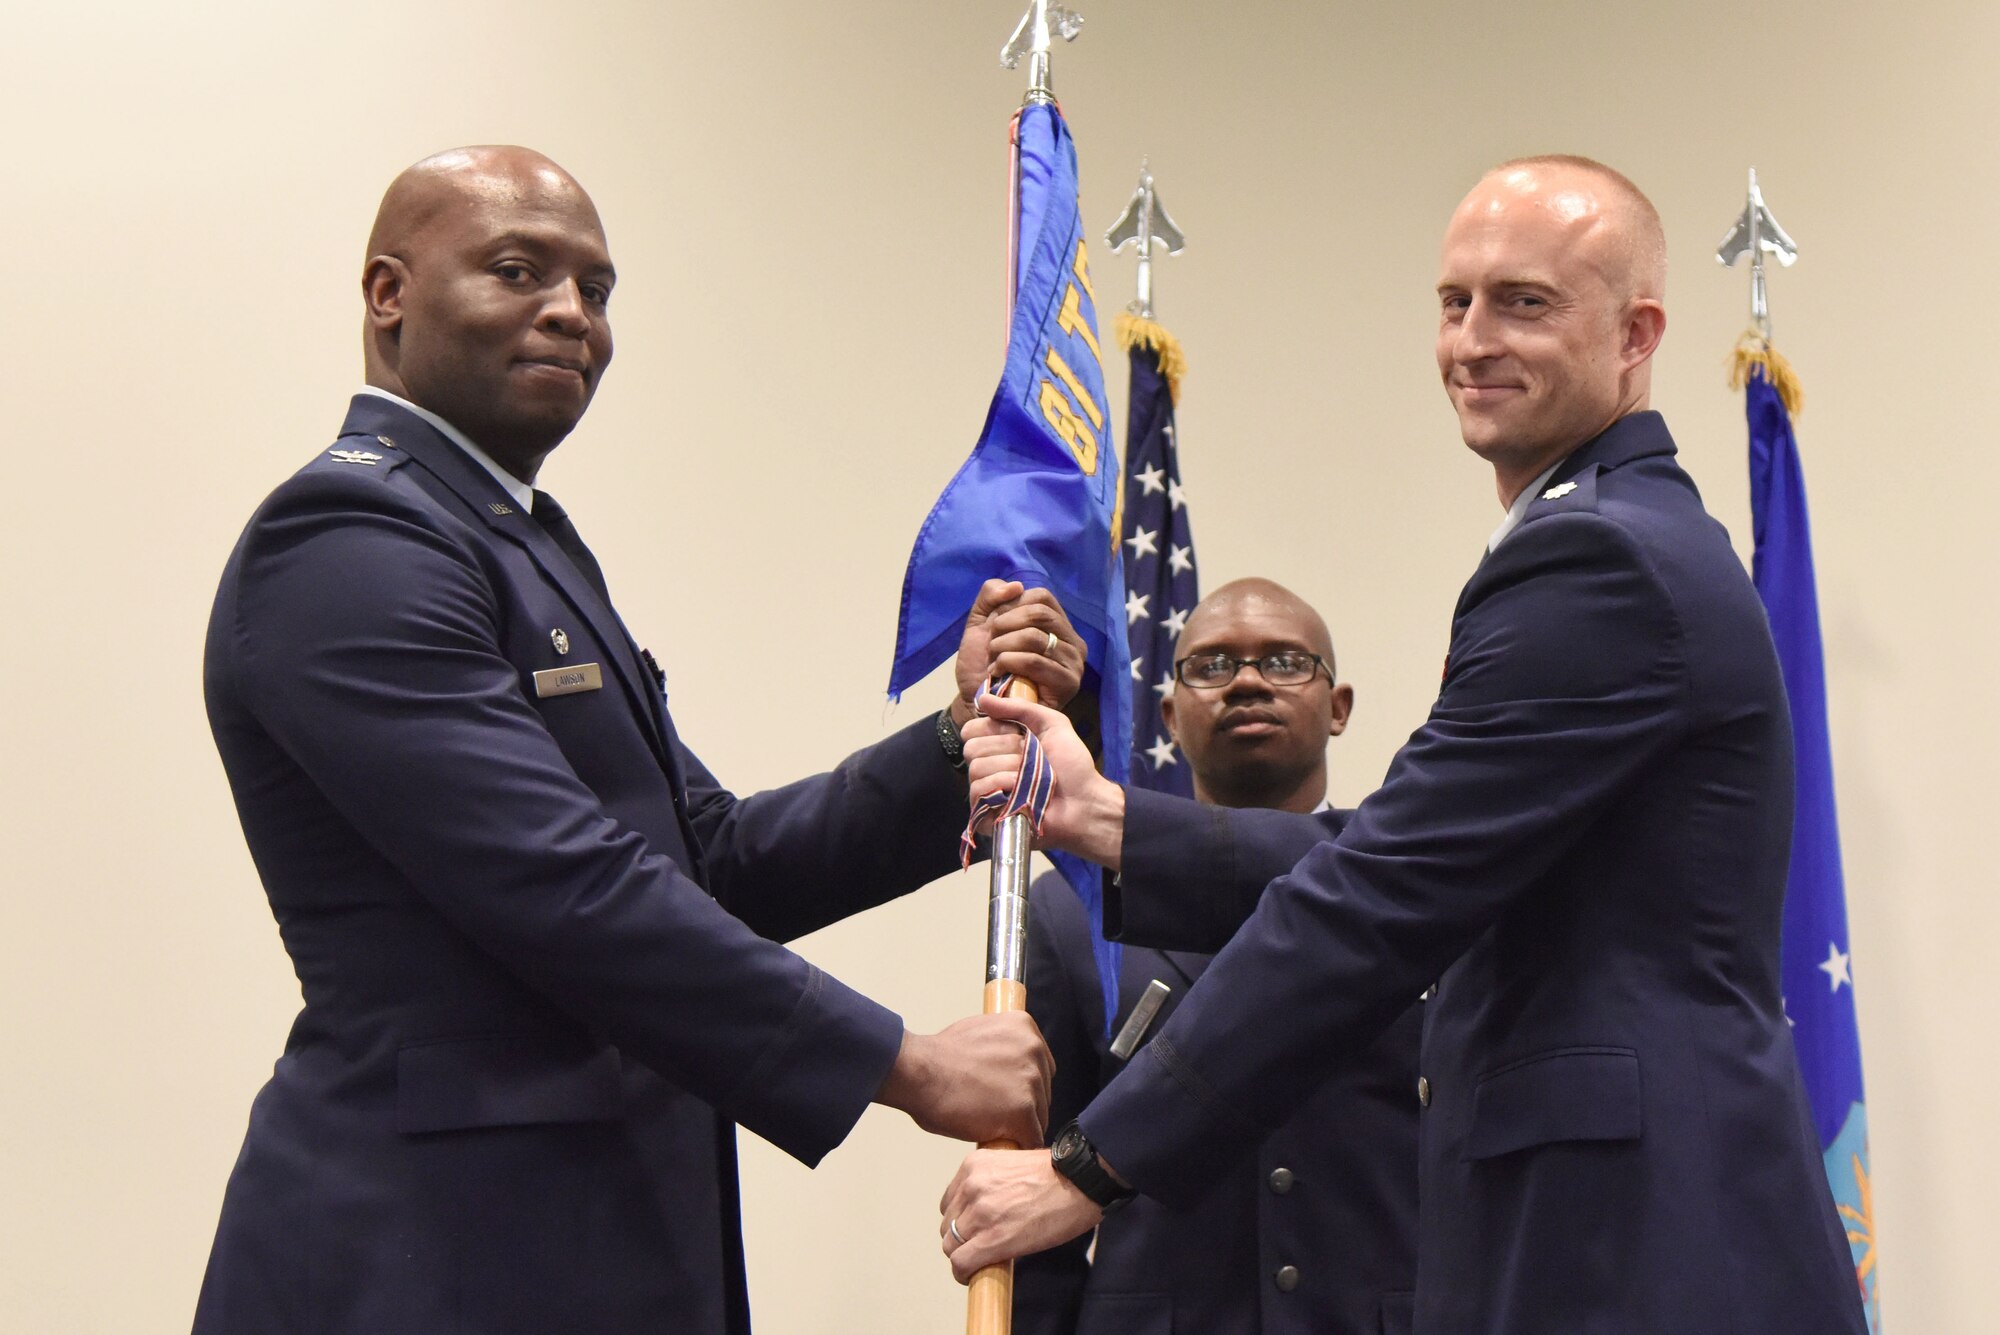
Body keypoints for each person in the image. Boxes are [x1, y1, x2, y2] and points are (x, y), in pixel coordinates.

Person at [941, 156, 1869, 1334]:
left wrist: (1083, 1168)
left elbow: (1382, 895)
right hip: (1611, 1238)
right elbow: (1415, 854)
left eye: (1522, 302)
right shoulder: (1614, 541)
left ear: (1635, 334)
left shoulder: (1600, 562)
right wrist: (1115, 820)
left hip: (1633, 1252)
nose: (1471, 339)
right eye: (1453, 301)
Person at [194, 145, 1078, 1335]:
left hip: (598, 1249)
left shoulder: (522, 541)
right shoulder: (347, 538)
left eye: (596, 290)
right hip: (427, 1261)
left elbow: (703, 864)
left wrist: (953, 742)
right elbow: (563, 886)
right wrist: (907, 1064)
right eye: (518, 270)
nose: (570, 313)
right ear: (387, 294)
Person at [1012, 578, 1419, 1335]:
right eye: (1212, 665)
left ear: (1340, 706)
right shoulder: (1072, 914)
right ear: (1169, 714)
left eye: (1286, 661)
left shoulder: (1418, 890)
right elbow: (1035, 1199)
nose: (1248, 681)